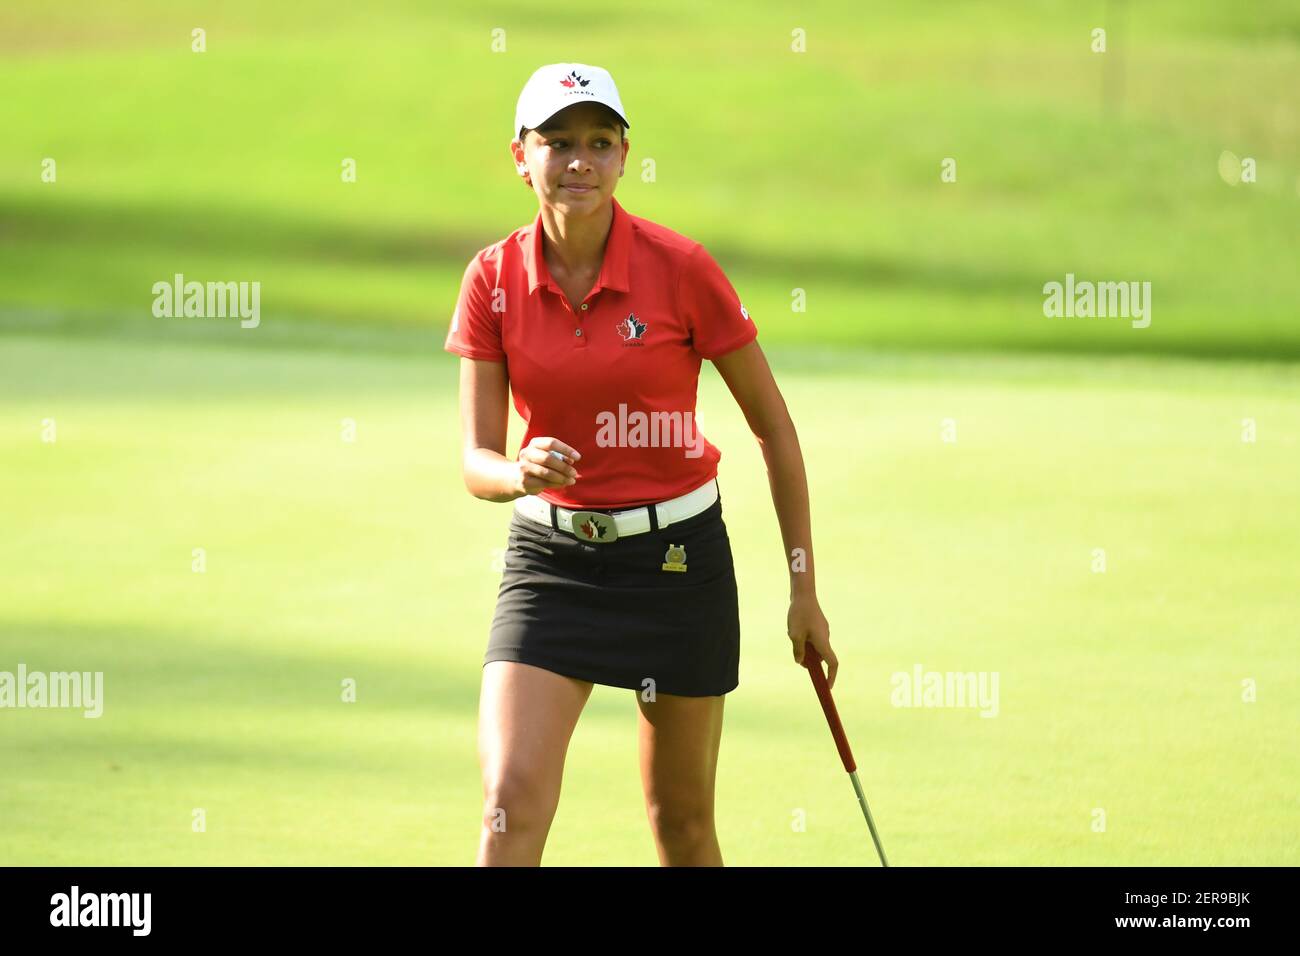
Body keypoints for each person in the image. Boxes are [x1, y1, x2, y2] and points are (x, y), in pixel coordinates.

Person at [444, 62, 835, 866]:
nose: (578, 160)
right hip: (553, 565)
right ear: (522, 156)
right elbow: (477, 460)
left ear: (625, 156)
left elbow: (775, 430)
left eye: (598, 141)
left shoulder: (681, 268)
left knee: (682, 826)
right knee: (507, 807)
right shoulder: (491, 279)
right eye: (557, 142)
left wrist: (804, 590)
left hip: (676, 567)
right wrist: (519, 473)